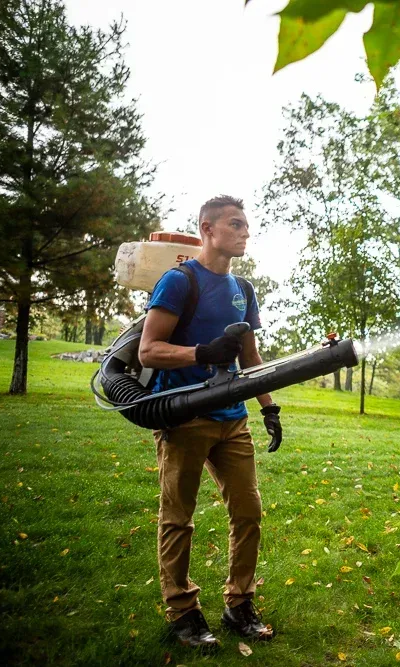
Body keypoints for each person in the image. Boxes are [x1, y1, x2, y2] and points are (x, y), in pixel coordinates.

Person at [138, 195, 281, 648]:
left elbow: (251, 355)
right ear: (208, 229)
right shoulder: (179, 282)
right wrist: (202, 353)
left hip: (232, 418)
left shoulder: (245, 289)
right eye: (235, 225)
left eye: (246, 226)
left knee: (249, 512)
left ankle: (239, 603)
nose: (245, 233)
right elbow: (148, 350)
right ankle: (182, 611)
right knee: (179, 518)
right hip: (184, 416)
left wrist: (268, 406)